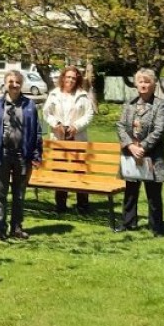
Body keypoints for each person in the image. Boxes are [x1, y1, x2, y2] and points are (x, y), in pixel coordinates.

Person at [0, 69, 42, 241]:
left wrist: (37, 155)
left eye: (17, 82)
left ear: (21, 84)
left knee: (19, 194)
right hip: (1, 155)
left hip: (22, 156)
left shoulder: (29, 105)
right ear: (5, 84)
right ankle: (0, 229)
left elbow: (37, 132)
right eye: (11, 82)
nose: (14, 85)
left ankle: (16, 227)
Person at [115, 68, 164, 235]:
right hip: (131, 153)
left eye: (147, 82)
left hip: (152, 155)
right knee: (130, 191)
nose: (144, 85)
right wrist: (130, 145)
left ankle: (156, 227)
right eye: (141, 81)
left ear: (154, 84)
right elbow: (120, 126)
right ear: (136, 84)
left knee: (153, 194)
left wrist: (143, 147)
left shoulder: (160, 105)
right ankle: (128, 222)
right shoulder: (129, 104)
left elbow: (160, 130)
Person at [43, 65, 95, 214]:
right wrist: (56, 124)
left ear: (77, 80)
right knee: (60, 171)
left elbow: (89, 115)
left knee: (80, 171)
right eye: (68, 77)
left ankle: (83, 206)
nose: (71, 80)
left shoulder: (83, 95)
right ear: (63, 78)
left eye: (74, 78)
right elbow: (46, 113)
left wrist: (76, 126)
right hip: (59, 138)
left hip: (77, 138)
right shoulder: (54, 94)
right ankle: (60, 206)